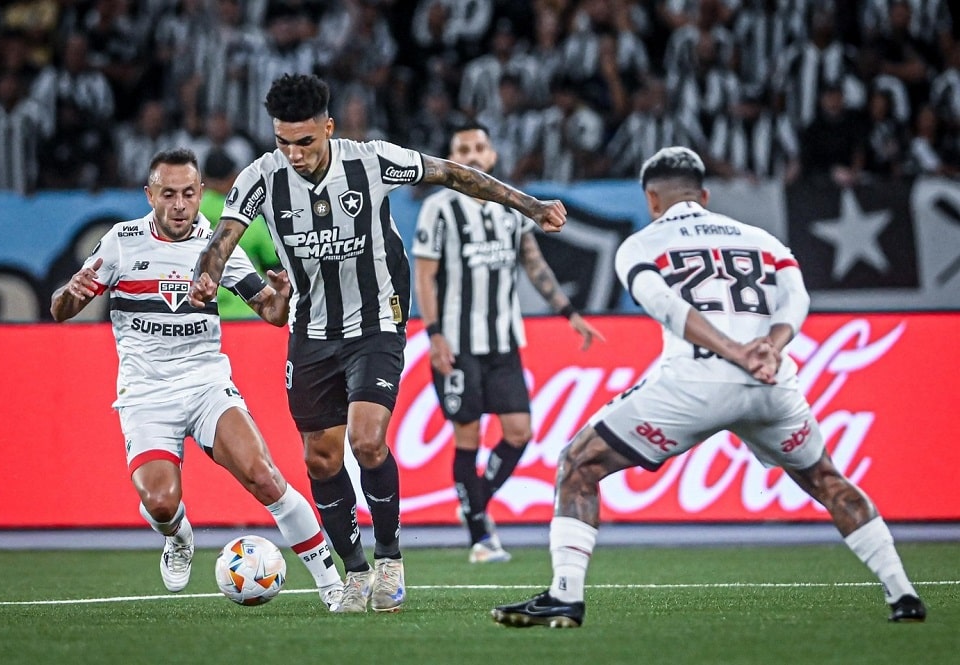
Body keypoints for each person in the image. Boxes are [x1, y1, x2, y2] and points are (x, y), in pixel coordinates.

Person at [491, 146, 926, 628]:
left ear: (651, 199)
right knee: (827, 479)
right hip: (772, 383)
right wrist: (770, 348)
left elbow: (665, 306)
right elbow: (797, 299)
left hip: (696, 382)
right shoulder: (764, 240)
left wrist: (733, 351)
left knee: (579, 462)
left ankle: (566, 595)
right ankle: (903, 593)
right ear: (705, 194)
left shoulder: (642, 243)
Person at [188, 73, 567, 614]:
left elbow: (454, 174)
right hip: (311, 330)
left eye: (305, 141)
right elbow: (222, 237)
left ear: (329, 127)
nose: (293, 154)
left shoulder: (370, 160)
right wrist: (208, 275)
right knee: (320, 458)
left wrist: (528, 206)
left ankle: (389, 558)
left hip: (376, 324)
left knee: (367, 441)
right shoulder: (260, 178)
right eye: (282, 142)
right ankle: (356, 571)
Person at [50, 147, 344, 612]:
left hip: (206, 384)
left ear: (201, 193)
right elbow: (60, 310)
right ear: (150, 195)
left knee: (265, 476)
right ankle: (179, 536)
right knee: (162, 503)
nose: (180, 205)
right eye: (168, 194)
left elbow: (269, 311)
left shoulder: (216, 244)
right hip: (145, 393)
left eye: (189, 193)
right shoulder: (121, 242)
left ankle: (332, 585)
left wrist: (283, 297)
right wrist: (71, 293)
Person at [412, 121, 604, 564]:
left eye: (480, 146)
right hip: (458, 342)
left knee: (520, 431)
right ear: (452, 157)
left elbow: (533, 263)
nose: (473, 154)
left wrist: (568, 313)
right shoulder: (438, 208)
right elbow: (424, 275)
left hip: (503, 340)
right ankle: (481, 535)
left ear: (493, 156)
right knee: (468, 437)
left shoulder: (510, 209)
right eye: (464, 147)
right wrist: (435, 334)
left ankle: (474, 504)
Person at [200, 148, 281, 320]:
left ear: (204, 180)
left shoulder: (189, 217)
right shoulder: (245, 217)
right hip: (247, 316)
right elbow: (273, 267)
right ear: (232, 178)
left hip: (204, 315)